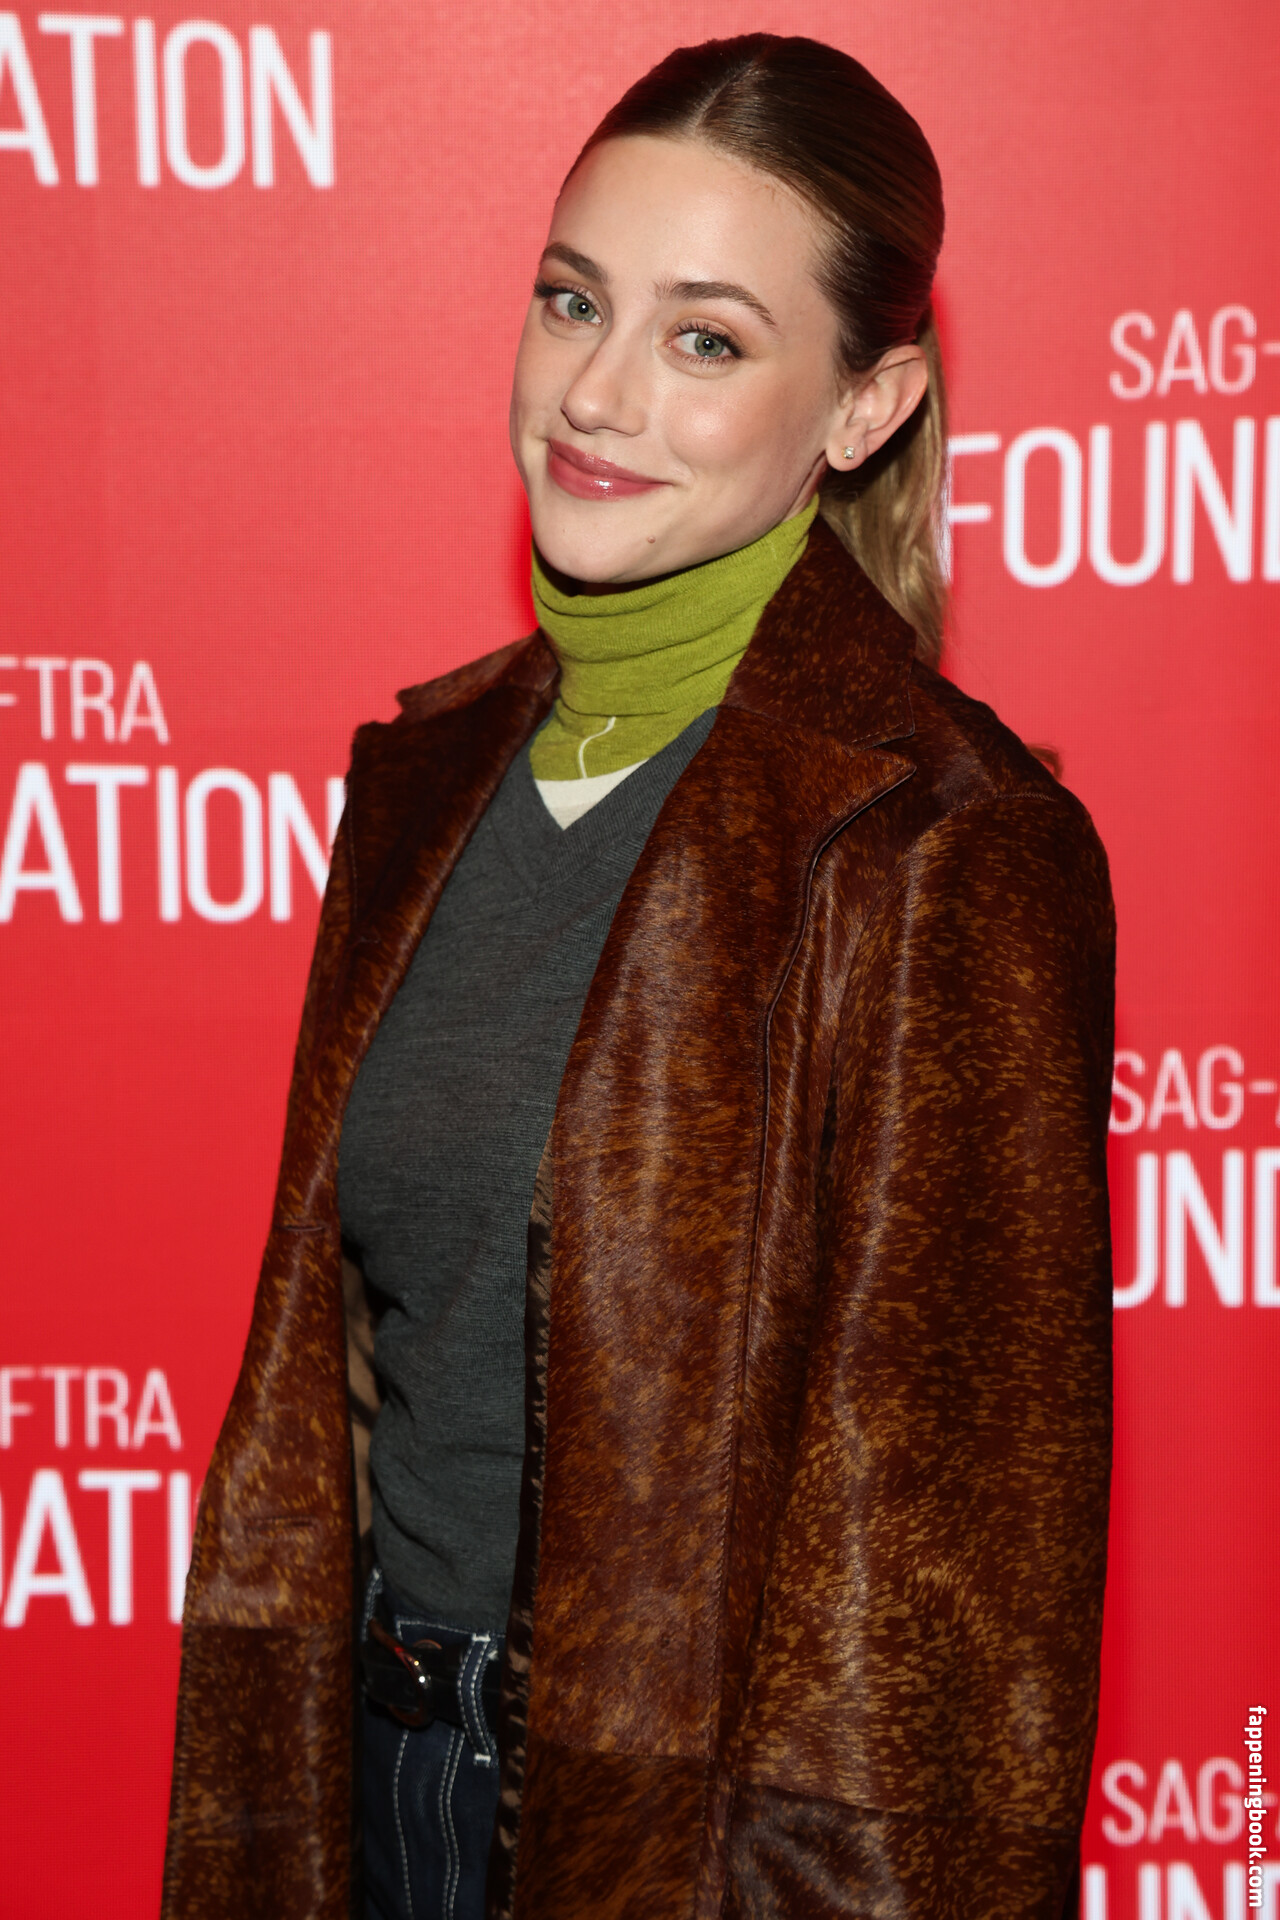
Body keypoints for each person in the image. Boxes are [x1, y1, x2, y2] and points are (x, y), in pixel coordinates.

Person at [161, 33, 1115, 1920]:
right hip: (363, 1783)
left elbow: (948, 1614)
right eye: (572, 301)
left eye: (707, 340)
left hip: (675, 1859)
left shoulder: (942, 847)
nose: (596, 395)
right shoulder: (422, 780)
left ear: (866, 405)